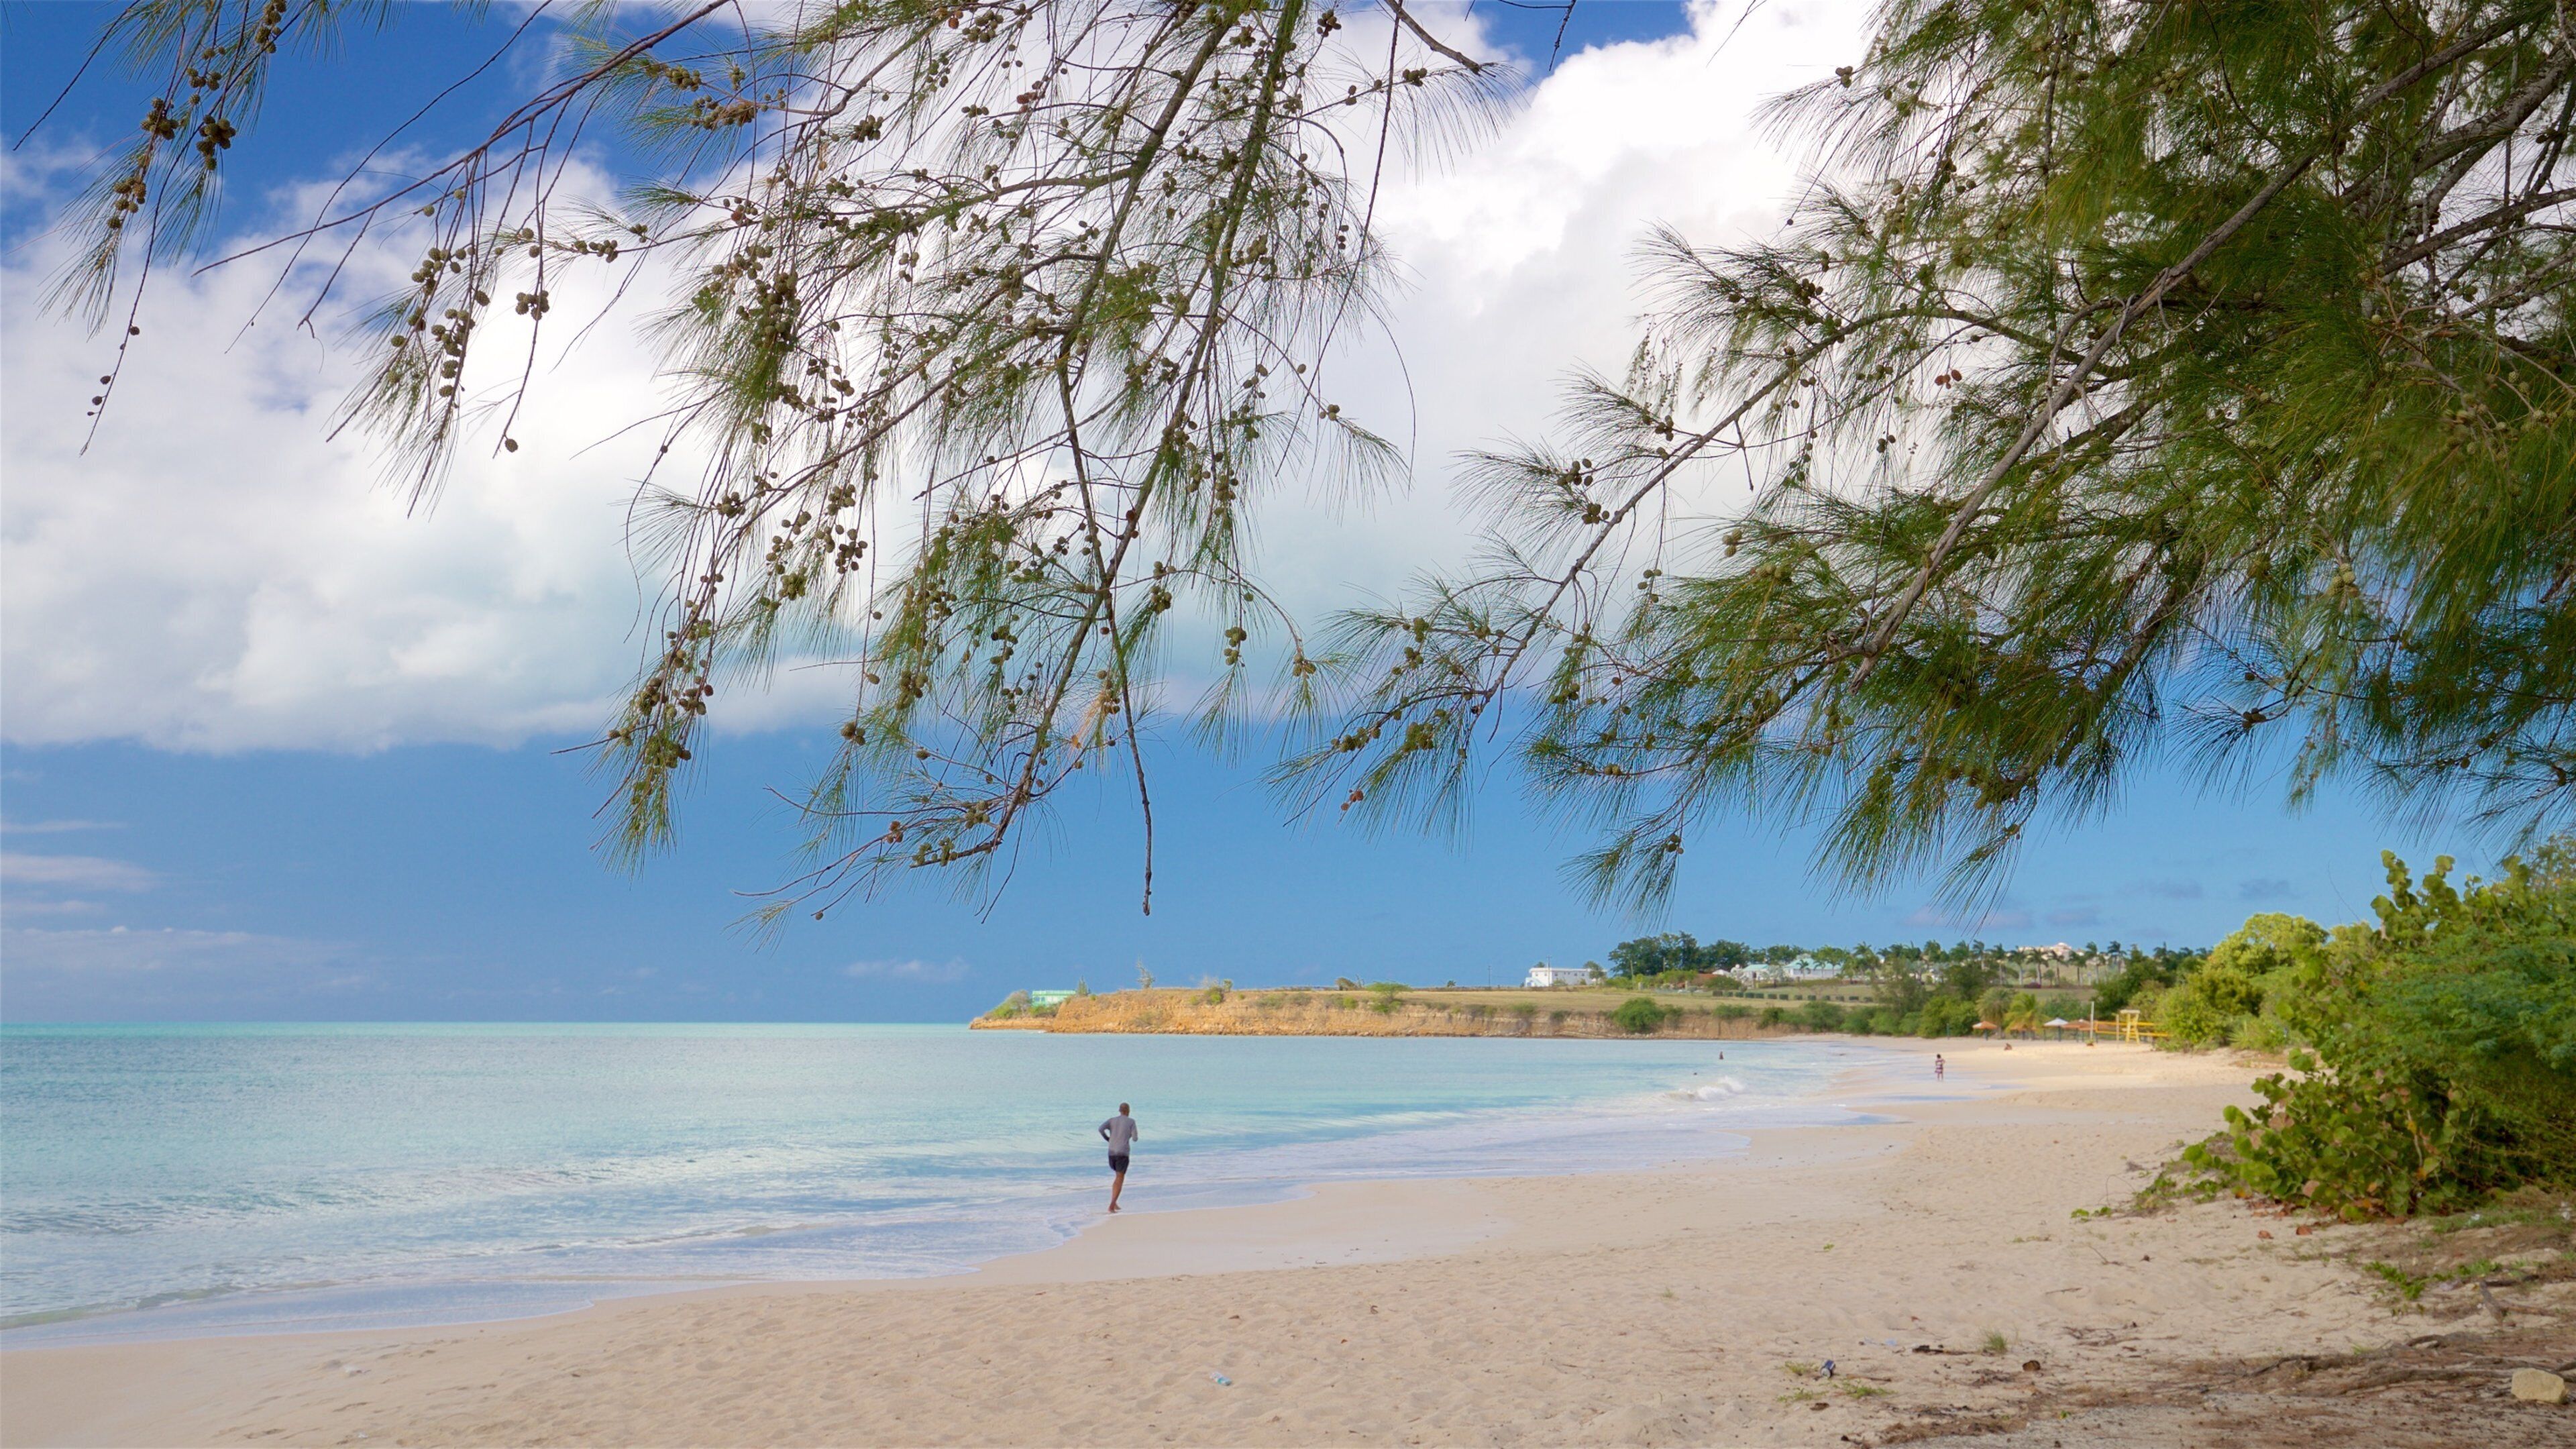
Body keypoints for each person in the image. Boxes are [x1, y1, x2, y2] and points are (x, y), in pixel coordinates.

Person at [1099, 1102, 1138, 1213]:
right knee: (1120, 1179)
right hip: (1123, 1153)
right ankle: (1111, 1206)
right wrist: (1129, 1135)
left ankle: (1114, 1202)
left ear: (1120, 1111)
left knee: (1117, 1177)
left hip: (1111, 1153)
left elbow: (1100, 1129)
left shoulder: (1112, 1120)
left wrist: (1108, 1139)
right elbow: (1135, 1138)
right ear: (1128, 1111)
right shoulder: (1131, 1122)